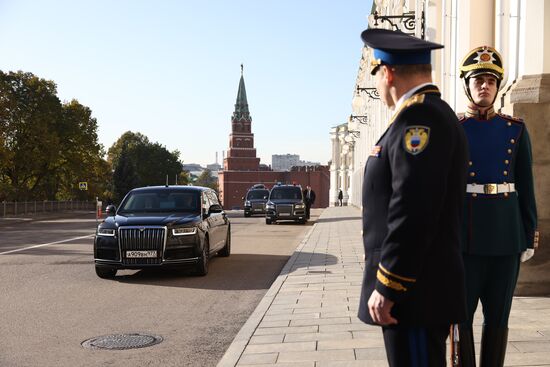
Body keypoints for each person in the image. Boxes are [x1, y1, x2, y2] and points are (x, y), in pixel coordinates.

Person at [357, 29, 469, 366]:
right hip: (418, 291)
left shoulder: (419, 119)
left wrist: (389, 285)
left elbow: (414, 209)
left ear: (387, 73)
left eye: (377, 76)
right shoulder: (422, 115)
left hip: (414, 295)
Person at [456, 46, 539, 367]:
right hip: (465, 236)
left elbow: (526, 185)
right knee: (460, 317)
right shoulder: (455, 127)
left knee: (499, 317)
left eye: (491, 80)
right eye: (478, 80)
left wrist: (529, 232)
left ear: (498, 86)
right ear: (467, 84)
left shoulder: (514, 128)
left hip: (506, 236)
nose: (485, 86)